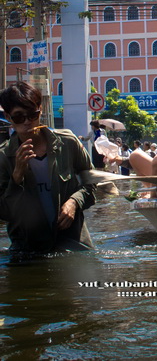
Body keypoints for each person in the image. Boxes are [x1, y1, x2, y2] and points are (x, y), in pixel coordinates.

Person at [0, 81, 96, 253]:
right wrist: (16, 178)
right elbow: (5, 213)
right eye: (19, 117)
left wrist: (74, 202)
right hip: (27, 250)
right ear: (8, 117)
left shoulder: (67, 143)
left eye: (32, 115)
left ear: (41, 110)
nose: (28, 122)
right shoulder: (3, 157)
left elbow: (91, 180)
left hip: (73, 244)